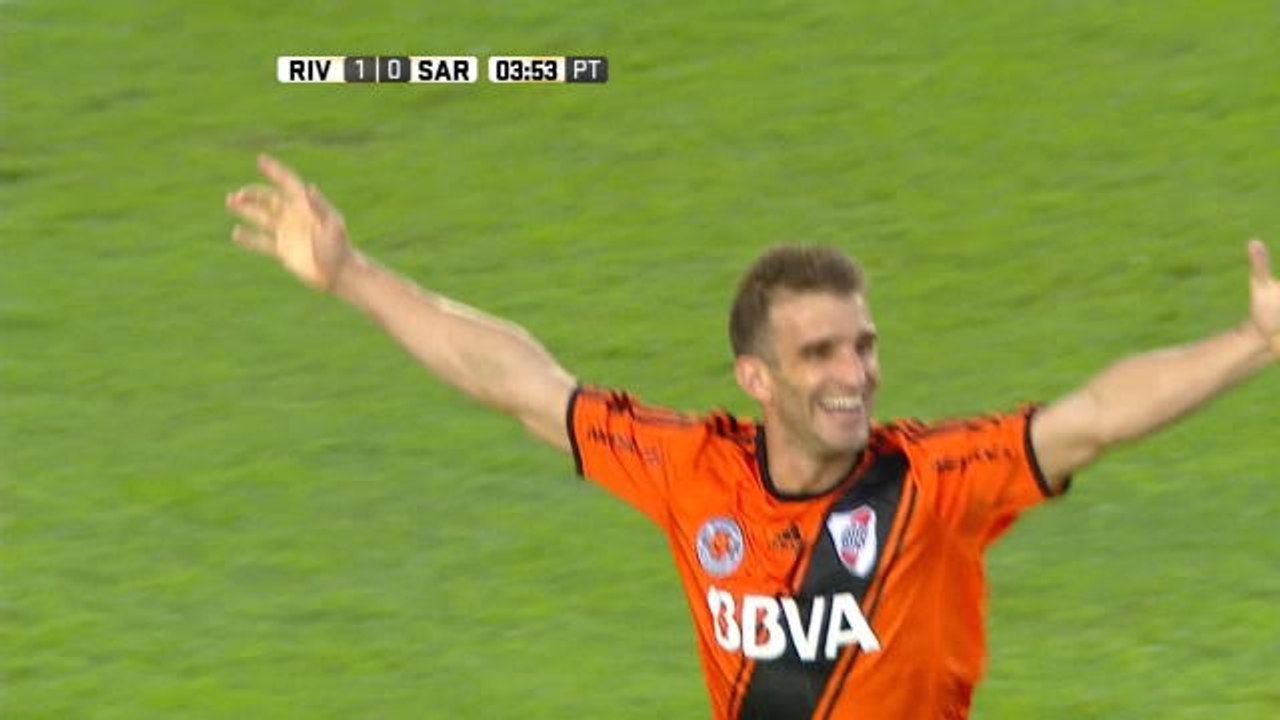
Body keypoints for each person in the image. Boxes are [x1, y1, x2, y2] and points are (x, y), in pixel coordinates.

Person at [225, 155, 1280, 719]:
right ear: (755, 376)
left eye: (862, 345)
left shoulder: (935, 478)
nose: (853, 373)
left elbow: (1093, 418)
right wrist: (351, 276)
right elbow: (521, 385)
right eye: (818, 353)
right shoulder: (690, 468)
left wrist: (1251, 343)